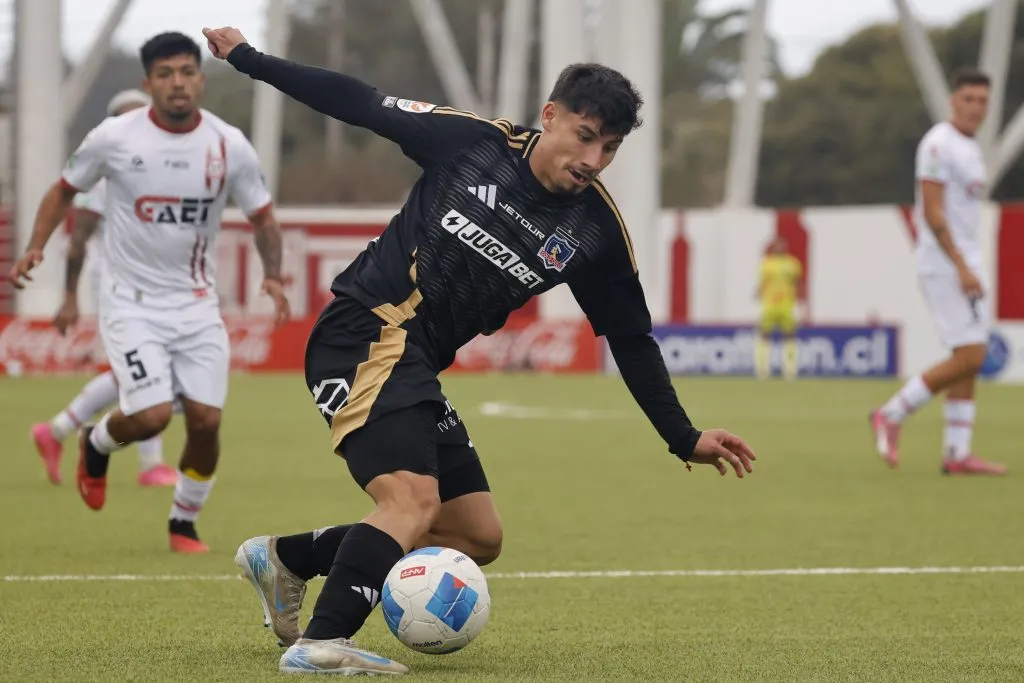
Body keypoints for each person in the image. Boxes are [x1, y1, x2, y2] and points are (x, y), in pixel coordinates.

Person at [204, 26, 757, 676]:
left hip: (413, 362)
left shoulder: (593, 231)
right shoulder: (472, 144)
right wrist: (248, 58)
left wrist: (681, 435)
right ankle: (321, 642)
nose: (594, 159)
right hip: (365, 330)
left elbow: (631, 339)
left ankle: (289, 558)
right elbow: (360, 102)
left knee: (476, 534)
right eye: (585, 136)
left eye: (609, 147)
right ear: (549, 116)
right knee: (411, 500)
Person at [8, 32, 292, 553]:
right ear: (148, 83)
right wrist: (34, 248)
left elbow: (263, 216)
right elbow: (63, 190)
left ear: (200, 80)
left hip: (197, 304)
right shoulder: (114, 138)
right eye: (166, 75)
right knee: (152, 416)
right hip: (131, 303)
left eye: (186, 72)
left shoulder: (228, 144)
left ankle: (183, 523)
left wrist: (273, 274)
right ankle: (96, 444)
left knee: (206, 422)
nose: (177, 83)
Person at [30, 89, 178, 489]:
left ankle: (57, 430)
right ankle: (150, 464)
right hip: (117, 283)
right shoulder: (108, 168)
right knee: (150, 373)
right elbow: (78, 238)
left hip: (155, 284)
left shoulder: (161, 166)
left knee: (140, 373)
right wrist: (70, 295)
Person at [869, 67, 1006, 476]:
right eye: (969, 99)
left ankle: (957, 452)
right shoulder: (938, 145)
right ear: (953, 101)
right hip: (944, 264)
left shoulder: (969, 146)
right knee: (972, 354)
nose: (976, 108)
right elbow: (931, 213)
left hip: (964, 262)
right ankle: (891, 413)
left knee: (968, 357)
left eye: (982, 101)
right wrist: (961, 265)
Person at [755, 236, 803, 380]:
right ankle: (763, 370)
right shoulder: (766, 264)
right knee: (764, 335)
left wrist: (799, 299)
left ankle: (790, 370)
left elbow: (798, 282)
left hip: (786, 305)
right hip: (769, 305)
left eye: (781, 245)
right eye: (777, 246)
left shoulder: (793, 264)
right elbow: (762, 283)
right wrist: (758, 293)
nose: (779, 248)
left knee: (789, 336)